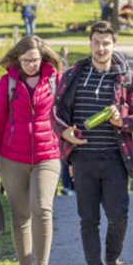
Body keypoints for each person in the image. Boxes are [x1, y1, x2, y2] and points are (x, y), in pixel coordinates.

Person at [53, 21, 133, 265]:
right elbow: (56, 112)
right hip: (82, 158)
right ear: (90, 43)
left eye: (106, 43)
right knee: (88, 220)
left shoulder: (128, 78)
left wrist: (124, 121)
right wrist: (65, 133)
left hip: (115, 158)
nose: (101, 48)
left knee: (118, 216)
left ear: (114, 44)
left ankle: (113, 260)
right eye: (96, 42)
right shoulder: (74, 75)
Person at [0, 35, 62, 265]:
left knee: (42, 208)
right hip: (11, 158)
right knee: (21, 214)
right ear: (18, 59)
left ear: (43, 57)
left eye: (35, 60)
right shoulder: (7, 83)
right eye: (26, 60)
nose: (31, 65)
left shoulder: (55, 80)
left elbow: (66, 114)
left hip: (47, 154)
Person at [57, 46, 74, 196]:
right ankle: (68, 186)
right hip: (62, 123)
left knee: (67, 155)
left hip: (69, 122)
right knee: (64, 156)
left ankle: (70, 185)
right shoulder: (59, 79)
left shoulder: (68, 77)